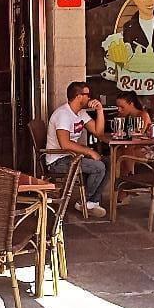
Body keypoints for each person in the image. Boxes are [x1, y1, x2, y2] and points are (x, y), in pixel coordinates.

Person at [45, 81, 108, 217]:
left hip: (71, 156)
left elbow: (99, 132)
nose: (90, 98)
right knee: (99, 167)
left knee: (107, 163)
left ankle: (91, 202)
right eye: (88, 94)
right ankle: (84, 201)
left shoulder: (81, 113)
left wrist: (100, 110)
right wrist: (89, 151)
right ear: (79, 96)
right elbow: (65, 144)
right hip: (57, 161)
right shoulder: (63, 114)